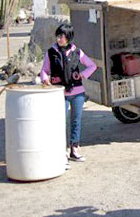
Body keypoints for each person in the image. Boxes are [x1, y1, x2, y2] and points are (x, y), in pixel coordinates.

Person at [40, 24, 97, 162]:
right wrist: (45, 79)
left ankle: (74, 149)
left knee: (76, 121)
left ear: (68, 37)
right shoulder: (51, 52)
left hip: (78, 92)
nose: (59, 39)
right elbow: (44, 70)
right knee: (60, 122)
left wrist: (82, 75)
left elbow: (92, 65)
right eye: (58, 36)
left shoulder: (77, 52)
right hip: (60, 93)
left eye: (62, 36)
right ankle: (61, 151)